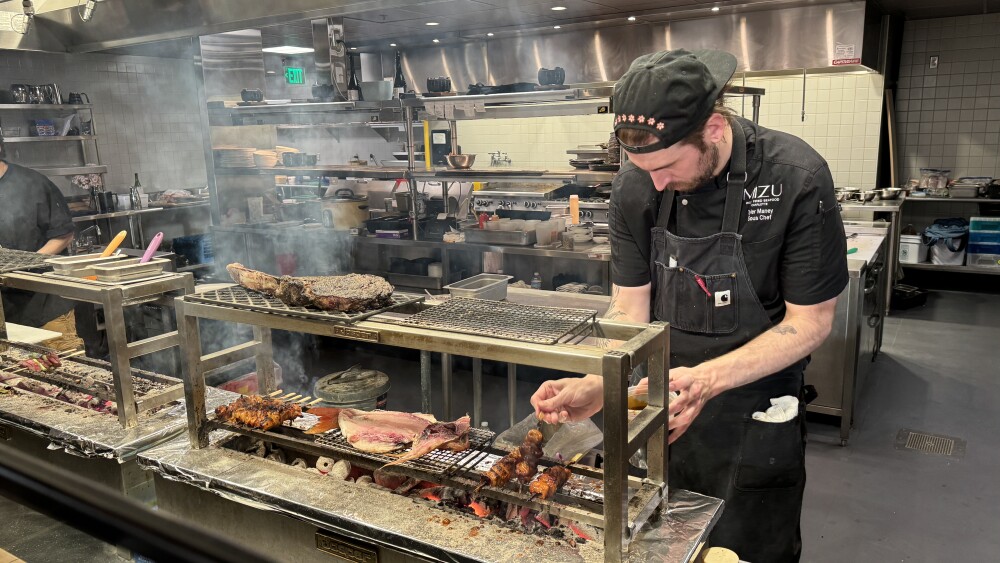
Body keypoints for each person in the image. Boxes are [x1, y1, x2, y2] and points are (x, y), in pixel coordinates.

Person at [531, 49, 848, 562]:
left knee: (746, 551)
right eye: (643, 169)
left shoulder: (796, 177)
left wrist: (706, 379)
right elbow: (629, 309)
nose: (655, 182)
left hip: (752, 410)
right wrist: (601, 381)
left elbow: (810, 322)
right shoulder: (635, 186)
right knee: (654, 547)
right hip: (659, 405)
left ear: (714, 129)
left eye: (667, 166)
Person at [0, 138, 83, 351]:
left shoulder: (33, 184)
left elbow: (63, 235)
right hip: (5, 314)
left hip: (45, 307)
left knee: (63, 367)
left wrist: (23, 265)